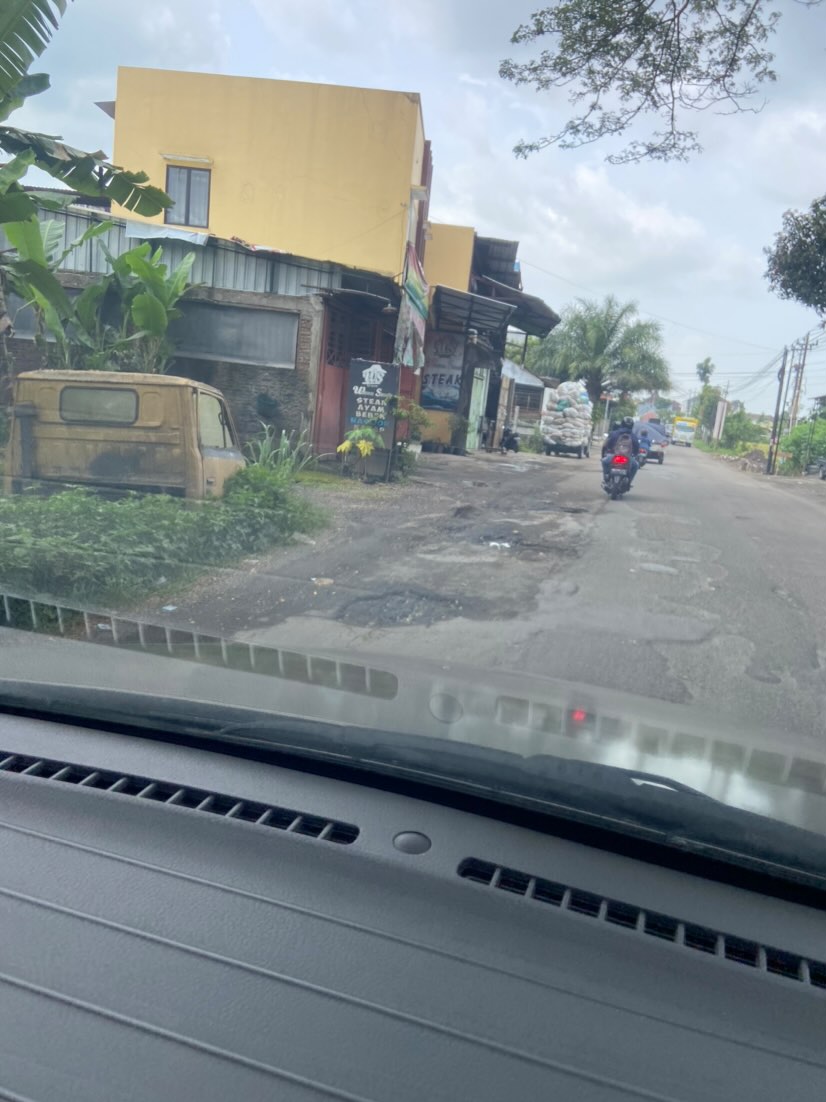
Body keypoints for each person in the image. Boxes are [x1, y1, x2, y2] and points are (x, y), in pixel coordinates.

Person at [602, 416, 640, 486]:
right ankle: (629, 482)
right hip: (628, 458)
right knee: (636, 466)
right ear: (632, 426)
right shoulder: (633, 436)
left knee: (604, 461)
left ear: (622, 424)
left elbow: (608, 445)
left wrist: (610, 450)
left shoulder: (614, 433)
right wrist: (634, 454)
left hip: (613, 456)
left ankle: (606, 477)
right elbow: (637, 448)